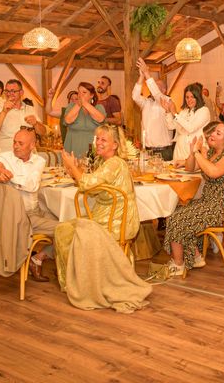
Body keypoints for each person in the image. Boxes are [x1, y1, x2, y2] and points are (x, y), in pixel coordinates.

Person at [55, 124, 150, 312]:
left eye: (103, 140)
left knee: (67, 232)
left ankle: (83, 285)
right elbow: (91, 187)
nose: (98, 142)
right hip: (106, 214)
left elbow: (87, 183)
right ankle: (82, 282)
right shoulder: (103, 163)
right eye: (97, 138)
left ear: (115, 145)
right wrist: (74, 171)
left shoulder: (115, 163)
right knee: (64, 229)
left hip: (118, 220)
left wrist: (73, 167)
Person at [165, 121, 224, 276]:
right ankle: (195, 256)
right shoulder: (212, 153)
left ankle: (178, 264)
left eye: (218, 133)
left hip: (222, 208)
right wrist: (192, 152)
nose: (212, 135)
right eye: (213, 132)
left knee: (178, 217)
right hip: (209, 202)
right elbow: (191, 168)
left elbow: (213, 172)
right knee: (175, 210)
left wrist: (198, 153)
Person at [0, 128, 59, 281]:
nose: (15, 146)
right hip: (18, 218)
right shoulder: (3, 158)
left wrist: (8, 175)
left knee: (64, 219)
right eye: (14, 142)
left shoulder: (39, 161)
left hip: (35, 211)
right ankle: (38, 260)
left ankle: (37, 257)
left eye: (20, 143)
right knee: (65, 229)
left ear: (32, 146)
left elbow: (32, 185)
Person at [132, 59, 174, 161]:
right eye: (152, 86)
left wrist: (147, 72)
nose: (152, 88)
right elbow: (135, 96)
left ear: (164, 90)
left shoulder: (167, 101)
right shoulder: (146, 102)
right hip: (148, 151)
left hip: (163, 151)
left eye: (157, 86)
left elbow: (157, 94)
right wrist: (142, 76)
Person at [0, 79, 46, 153]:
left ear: (21, 92)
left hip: (28, 155)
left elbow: (43, 132)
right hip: (7, 155)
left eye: (13, 91)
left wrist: (36, 123)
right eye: (7, 91)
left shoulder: (29, 108)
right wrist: (4, 112)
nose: (9, 94)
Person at [162, 83, 210, 164]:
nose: (189, 100)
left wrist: (175, 113)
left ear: (197, 97)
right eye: (187, 97)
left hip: (193, 150)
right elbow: (171, 126)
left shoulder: (204, 110)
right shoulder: (184, 111)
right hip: (179, 149)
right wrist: (168, 111)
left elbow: (191, 128)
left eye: (192, 97)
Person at [63, 82, 106, 157]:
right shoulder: (71, 106)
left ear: (91, 95)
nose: (80, 95)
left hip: (92, 146)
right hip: (72, 145)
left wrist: (85, 103)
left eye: (84, 92)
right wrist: (79, 104)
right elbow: (68, 120)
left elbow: (100, 119)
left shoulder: (98, 107)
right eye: (79, 92)